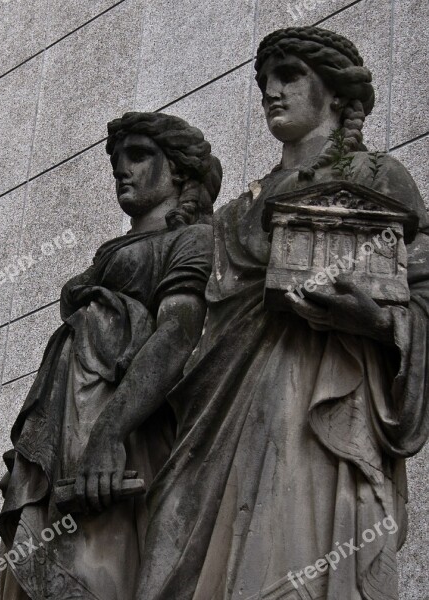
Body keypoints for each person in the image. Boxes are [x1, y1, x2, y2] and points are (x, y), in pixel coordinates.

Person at [135, 26, 429, 600]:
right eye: (264, 80)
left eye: (289, 76)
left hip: (326, 392)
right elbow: (191, 332)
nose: (271, 90)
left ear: (336, 94)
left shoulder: (377, 179)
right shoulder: (234, 210)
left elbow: (423, 291)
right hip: (222, 409)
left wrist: (380, 323)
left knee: (296, 551)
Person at [0, 112, 222, 600]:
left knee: (100, 569)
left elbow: (177, 335)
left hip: (127, 441)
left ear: (180, 171)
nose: (122, 169)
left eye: (139, 156)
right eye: (116, 159)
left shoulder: (191, 240)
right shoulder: (108, 256)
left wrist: (108, 433)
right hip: (66, 441)